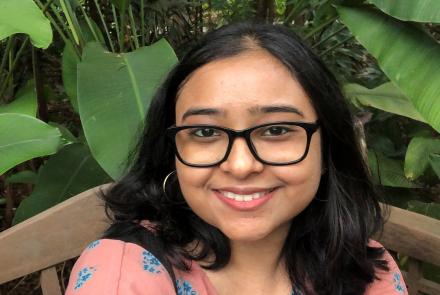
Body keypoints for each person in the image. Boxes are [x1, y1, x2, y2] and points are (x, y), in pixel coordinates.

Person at [66, 22, 408, 295]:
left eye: (276, 130)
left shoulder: (363, 266)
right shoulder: (125, 273)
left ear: (327, 146)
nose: (241, 165)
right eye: (204, 132)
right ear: (172, 153)